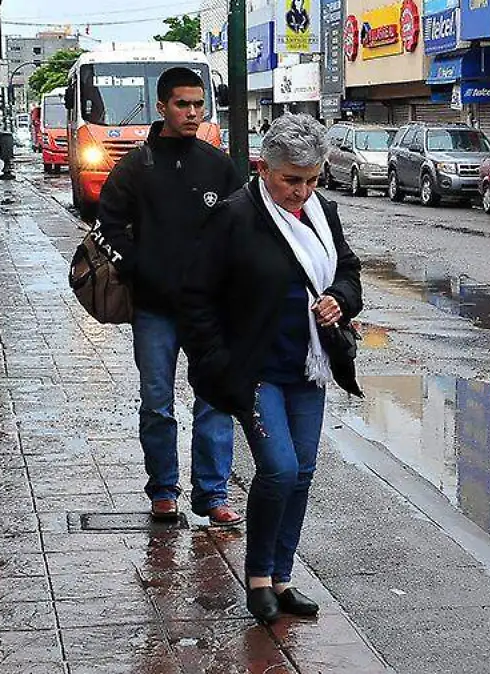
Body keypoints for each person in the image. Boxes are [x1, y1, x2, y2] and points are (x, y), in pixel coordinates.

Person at [180, 114, 363, 624]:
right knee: (279, 468)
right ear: (263, 169)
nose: (301, 192)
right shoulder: (234, 217)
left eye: (312, 179)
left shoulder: (323, 212)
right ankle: (258, 577)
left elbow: (348, 270)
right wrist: (217, 363)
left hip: (308, 366)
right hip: (255, 368)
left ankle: (282, 578)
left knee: (300, 474)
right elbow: (195, 299)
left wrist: (339, 298)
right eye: (290, 180)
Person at [98, 67, 244, 526]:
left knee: (215, 399)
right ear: (162, 107)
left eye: (199, 104)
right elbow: (108, 225)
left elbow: (241, 227)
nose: (193, 113)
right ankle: (163, 490)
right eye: (183, 104)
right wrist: (138, 267)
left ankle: (213, 494)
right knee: (157, 403)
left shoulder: (217, 164)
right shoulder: (135, 167)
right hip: (155, 310)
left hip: (210, 311)